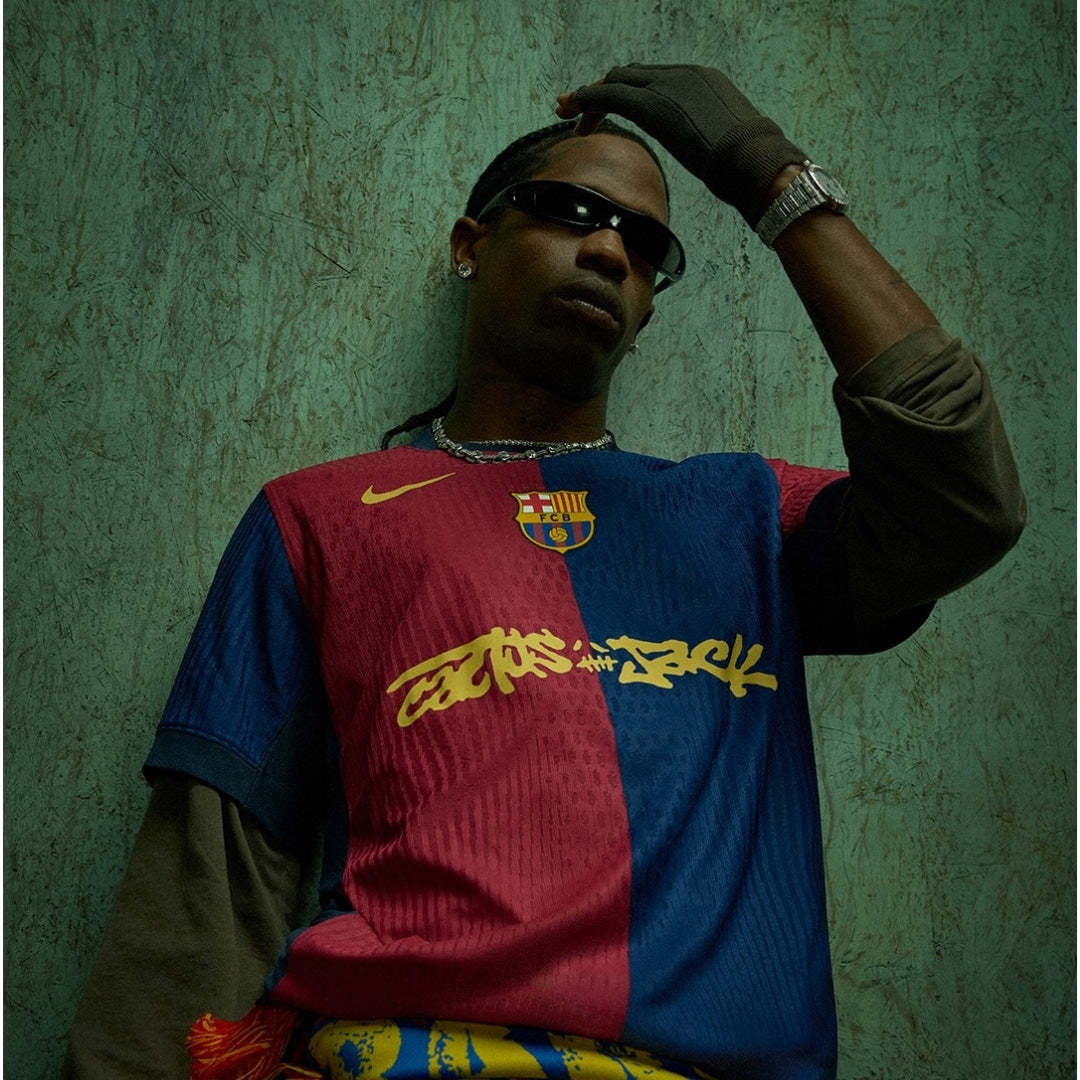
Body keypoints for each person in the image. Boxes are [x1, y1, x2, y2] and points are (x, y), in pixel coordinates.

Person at [63, 64, 1025, 1080]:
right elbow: (205, 885)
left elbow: (964, 501)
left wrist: (767, 175)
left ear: (649, 309)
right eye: (569, 211)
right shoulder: (319, 519)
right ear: (469, 246)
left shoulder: (750, 515)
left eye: (646, 244)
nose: (608, 249)